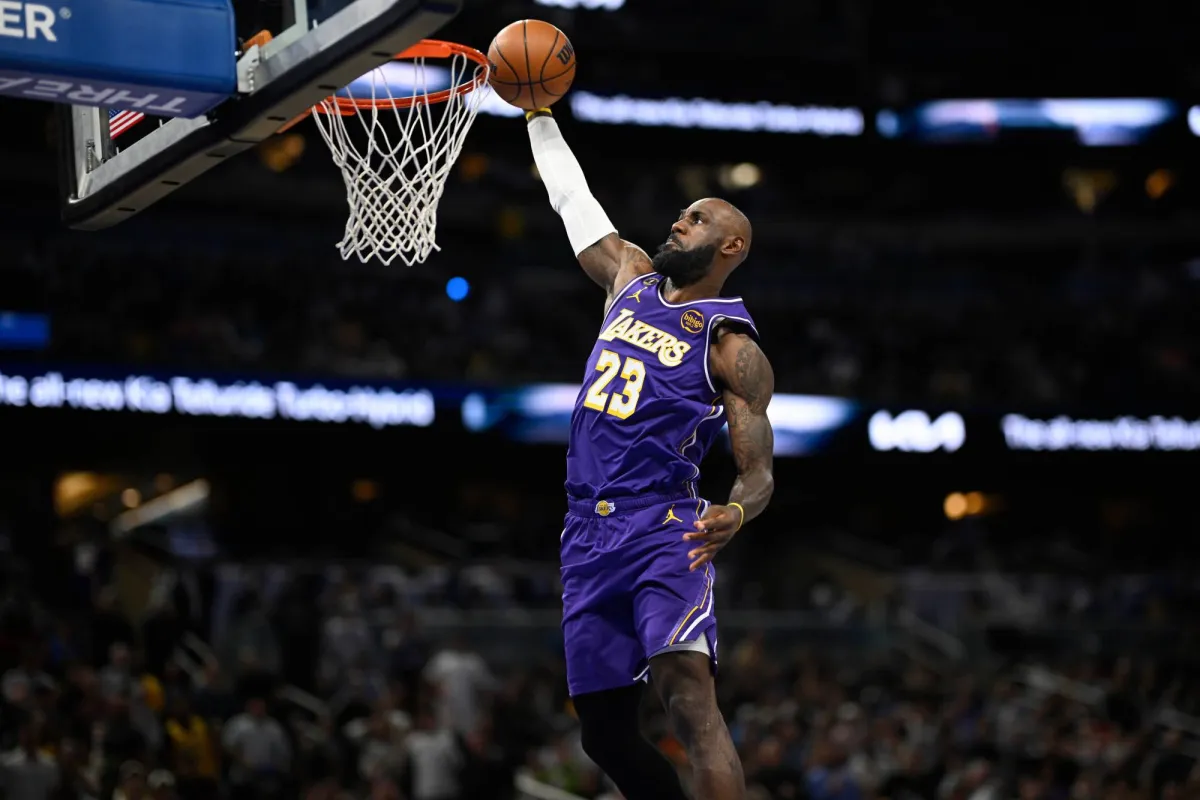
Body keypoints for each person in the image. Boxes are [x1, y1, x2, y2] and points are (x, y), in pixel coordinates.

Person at [524, 105, 776, 800]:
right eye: (681, 215)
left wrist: (736, 512)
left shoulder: (730, 347)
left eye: (696, 219)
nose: (678, 222)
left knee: (687, 700)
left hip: (663, 528)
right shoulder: (628, 279)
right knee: (602, 734)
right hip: (585, 531)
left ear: (731, 247)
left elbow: (758, 471)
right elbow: (572, 198)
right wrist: (538, 116)